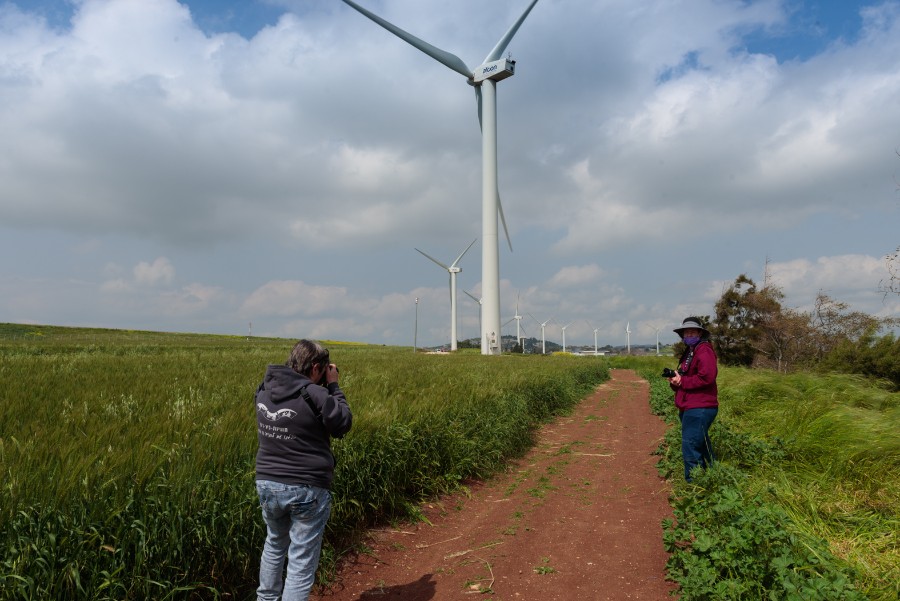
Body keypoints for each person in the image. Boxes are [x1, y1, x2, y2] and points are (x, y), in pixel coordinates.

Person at [254, 339, 353, 601]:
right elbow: (342, 423)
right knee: (300, 562)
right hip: (307, 488)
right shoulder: (315, 394)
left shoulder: (264, 389)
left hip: (267, 483)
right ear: (316, 368)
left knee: (274, 545)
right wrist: (333, 385)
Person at [667, 317, 718, 482]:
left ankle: (694, 487)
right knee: (701, 444)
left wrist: (683, 381)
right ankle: (714, 476)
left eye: (692, 332)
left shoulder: (704, 350)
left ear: (700, 333)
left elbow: (707, 377)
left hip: (700, 406)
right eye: (686, 332)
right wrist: (676, 381)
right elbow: (685, 378)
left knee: (690, 446)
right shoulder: (690, 351)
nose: (689, 335)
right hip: (690, 405)